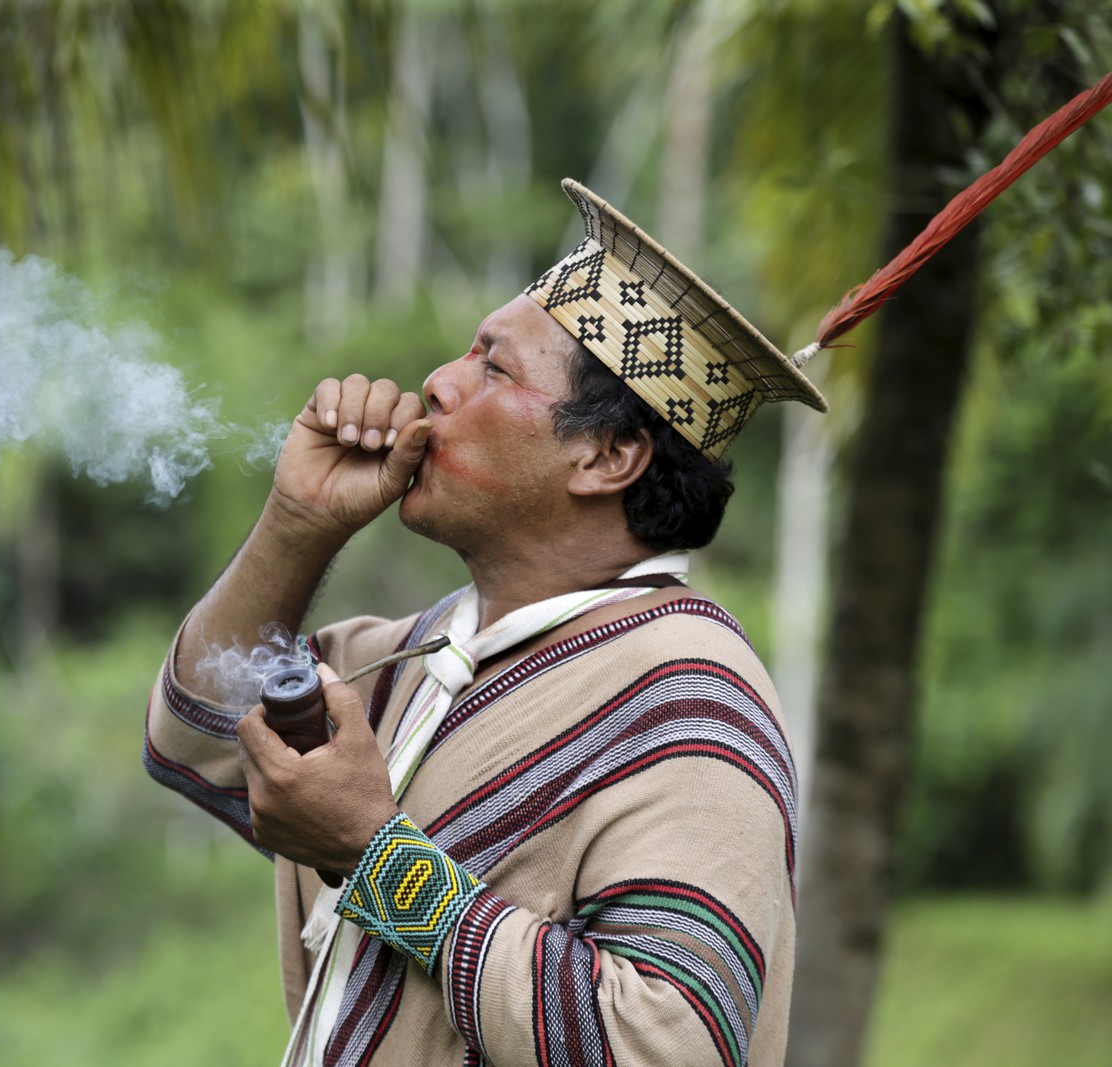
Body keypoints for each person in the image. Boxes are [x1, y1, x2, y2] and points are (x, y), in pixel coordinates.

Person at [143, 180, 819, 1067]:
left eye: (495, 368)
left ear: (607, 455)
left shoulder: (693, 707)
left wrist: (379, 860)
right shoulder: (414, 658)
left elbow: (663, 1044)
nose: (439, 381)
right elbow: (194, 729)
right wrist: (298, 524)